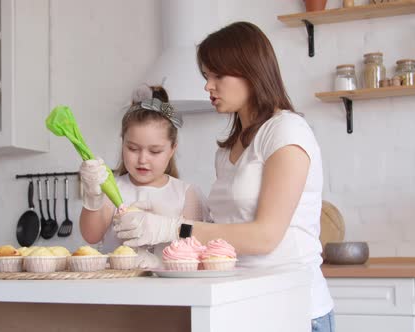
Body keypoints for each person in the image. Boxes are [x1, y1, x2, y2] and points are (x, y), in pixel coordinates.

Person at [113, 22, 335, 331]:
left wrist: (172, 227)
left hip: (293, 308)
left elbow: (265, 236)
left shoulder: (286, 131)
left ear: (250, 71)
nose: (208, 86)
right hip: (241, 304)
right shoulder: (228, 150)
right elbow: (224, 234)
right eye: (207, 76)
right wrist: (162, 216)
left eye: (218, 75)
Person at [78, 85, 209, 268]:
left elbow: (194, 244)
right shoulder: (113, 188)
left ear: (172, 149)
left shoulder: (186, 193)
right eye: (132, 149)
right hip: (116, 287)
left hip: (169, 288)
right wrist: (92, 196)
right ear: (122, 142)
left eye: (155, 151)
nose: (142, 159)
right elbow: (91, 235)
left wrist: (159, 264)